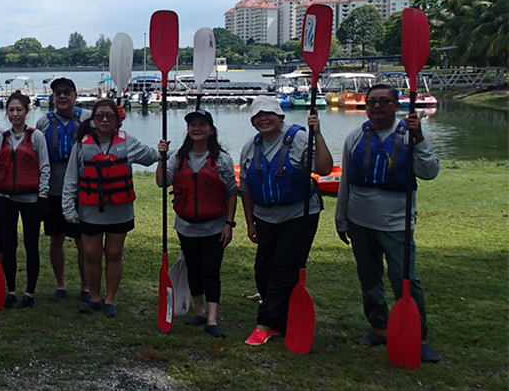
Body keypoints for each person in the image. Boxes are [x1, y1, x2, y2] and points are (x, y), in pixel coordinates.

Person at [335, 83, 441, 362]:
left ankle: (418, 336)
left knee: (405, 279)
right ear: (366, 105)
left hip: (396, 223)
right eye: (372, 101)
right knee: (369, 277)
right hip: (360, 220)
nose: (377, 106)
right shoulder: (355, 137)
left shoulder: (410, 135)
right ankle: (379, 327)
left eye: (384, 101)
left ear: (396, 105)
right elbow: (345, 181)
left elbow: (429, 172)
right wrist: (341, 218)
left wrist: (419, 140)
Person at [238, 95, 332, 345]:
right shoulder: (250, 146)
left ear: (280, 117)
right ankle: (282, 321)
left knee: (284, 269)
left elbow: (323, 169)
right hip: (265, 217)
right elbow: (245, 188)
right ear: (252, 121)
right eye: (258, 116)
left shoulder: (299, 138)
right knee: (263, 270)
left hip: (299, 215)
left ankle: (265, 323)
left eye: (269, 114)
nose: (264, 119)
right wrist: (249, 223)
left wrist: (318, 134)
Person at [61, 97, 161, 318]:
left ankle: (110, 300)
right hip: (89, 211)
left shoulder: (128, 142)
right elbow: (71, 179)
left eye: (109, 116)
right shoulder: (81, 144)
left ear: (117, 120)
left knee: (114, 254)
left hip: (119, 211)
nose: (104, 119)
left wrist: (164, 152)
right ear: (93, 119)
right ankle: (95, 298)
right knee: (90, 254)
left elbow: (151, 157)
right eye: (99, 116)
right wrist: (68, 208)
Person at [156, 109, 238, 338]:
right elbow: (162, 182)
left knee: (211, 269)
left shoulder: (222, 159)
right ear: (188, 130)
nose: (197, 129)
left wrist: (229, 224)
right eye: (193, 125)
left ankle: (212, 319)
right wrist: (161, 157)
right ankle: (199, 311)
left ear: (211, 130)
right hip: (186, 226)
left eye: (202, 124)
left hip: (214, 226)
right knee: (193, 268)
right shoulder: (177, 157)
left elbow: (232, 193)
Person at [0, 91, 50, 308]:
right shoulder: (1, 138)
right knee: (9, 245)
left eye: (19, 109)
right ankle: (12, 290)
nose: (15, 114)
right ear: (6, 112)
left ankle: (30, 293)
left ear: (26, 111)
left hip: (31, 199)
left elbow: (45, 167)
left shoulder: (36, 137)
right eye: (11, 110)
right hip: (6, 198)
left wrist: (43, 196)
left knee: (30, 245)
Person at [36, 78, 86, 301]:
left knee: (83, 240)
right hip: (54, 190)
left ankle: (86, 286)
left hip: (81, 191)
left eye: (67, 92)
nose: (63, 96)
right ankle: (61, 285)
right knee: (56, 239)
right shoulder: (43, 123)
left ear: (75, 95)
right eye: (58, 93)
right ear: (53, 98)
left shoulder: (86, 120)